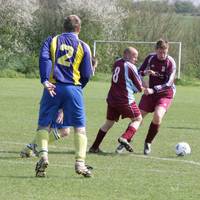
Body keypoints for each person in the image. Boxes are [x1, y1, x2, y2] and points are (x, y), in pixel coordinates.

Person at [34, 14, 93, 178]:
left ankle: (43, 157)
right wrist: (78, 88)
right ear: (78, 29)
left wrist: (45, 80)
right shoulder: (83, 46)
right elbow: (87, 74)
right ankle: (80, 163)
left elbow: (44, 59)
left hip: (52, 87)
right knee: (79, 127)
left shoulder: (52, 40)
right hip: (73, 89)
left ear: (63, 27)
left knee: (44, 125)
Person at [20, 57, 98, 158]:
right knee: (59, 130)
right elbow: (66, 91)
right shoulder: (75, 76)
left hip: (55, 97)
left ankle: (30, 148)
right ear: (87, 65)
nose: (94, 70)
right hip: (56, 99)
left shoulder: (75, 73)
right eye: (93, 67)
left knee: (57, 130)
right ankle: (32, 148)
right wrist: (62, 110)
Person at [89, 47, 143, 154]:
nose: (136, 59)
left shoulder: (117, 62)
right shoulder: (130, 66)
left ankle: (94, 147)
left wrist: (143, 73)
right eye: (134, 56)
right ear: (126, 55)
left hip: (112, 99)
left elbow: (124, 77)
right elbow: (139, 87)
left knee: (108, 123)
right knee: (138, 119)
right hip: (124, 100)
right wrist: (142, 89)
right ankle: (125, 137)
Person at [138, 39, 176, 155]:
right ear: (156, 50)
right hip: (150, 92)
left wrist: (152, 89)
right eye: (160, 52)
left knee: (158, 116)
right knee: (137, 117)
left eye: (165, 52)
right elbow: (139, 72)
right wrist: (144, 78)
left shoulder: (171, 62)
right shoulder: (150, 58)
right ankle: (125, 140)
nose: (162, 55)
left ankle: (148, 143)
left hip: (165, 93)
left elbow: (168, 83)